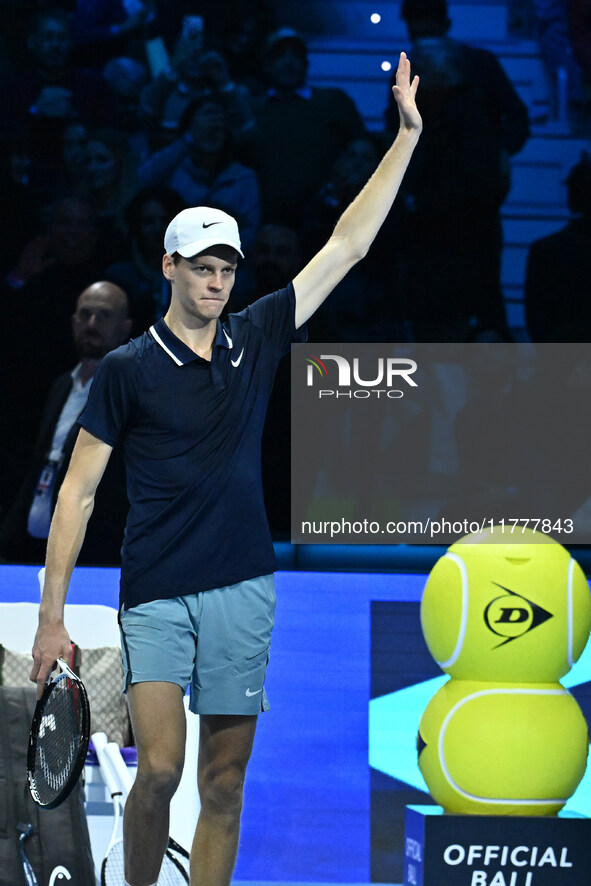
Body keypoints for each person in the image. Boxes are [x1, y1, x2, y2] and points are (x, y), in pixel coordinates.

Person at [30, 52, 421, 886]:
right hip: (158, 590)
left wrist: (405, 138)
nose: (216, 280)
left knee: (223, 782)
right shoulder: (129, 368)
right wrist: (50, 616)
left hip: (245, 588)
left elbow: (346, 245)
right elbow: (79, 491)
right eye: (201, 266)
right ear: (167, 268)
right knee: (162, 770)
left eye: (227, 268)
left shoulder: (258, 334)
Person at [0, 282, 132, 565]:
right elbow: (40, 463)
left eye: (104, 316)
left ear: (124, 327)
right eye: (85, 315)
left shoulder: (130, 394)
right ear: (73, 323)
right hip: (34, 539)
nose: (92, 324)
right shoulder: (62, 385)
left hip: (93, 549)